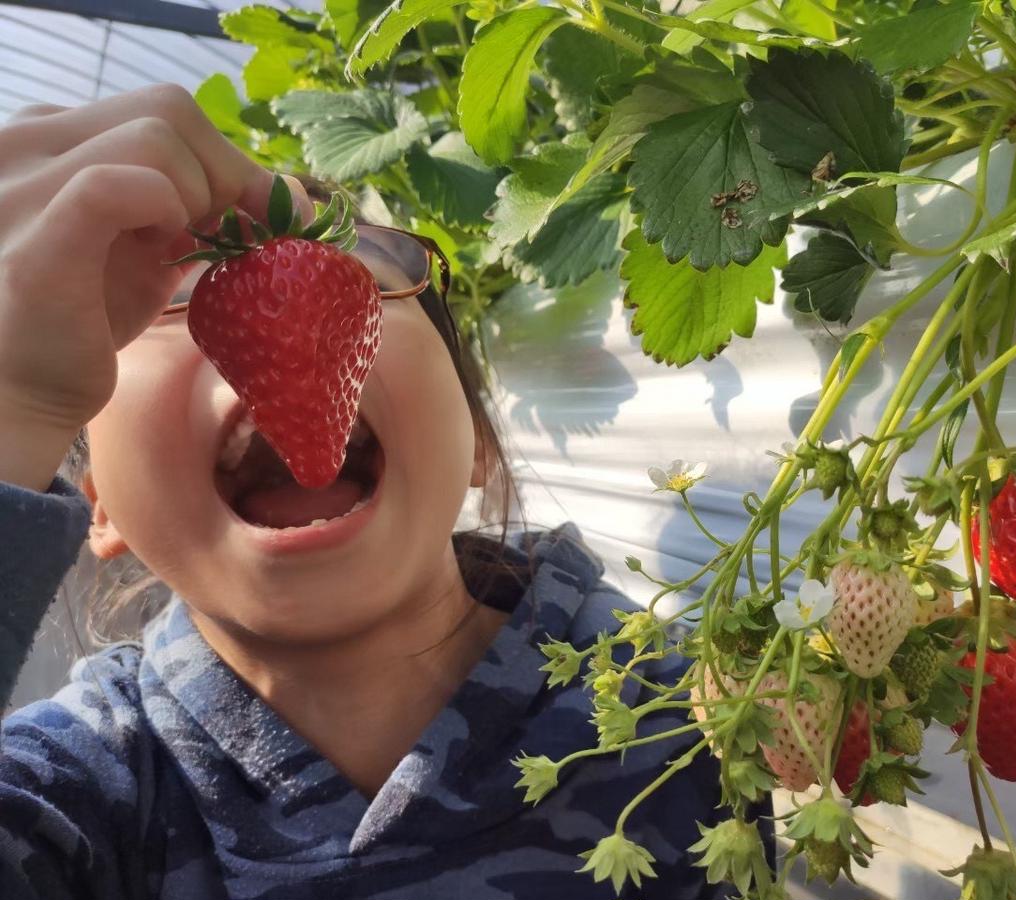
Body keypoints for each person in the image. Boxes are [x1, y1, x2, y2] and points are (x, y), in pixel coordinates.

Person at [0, 85, 775, 899]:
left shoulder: (684, 706)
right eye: (173, 301)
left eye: (352, 277)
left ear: (477, 438)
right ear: (99, 507)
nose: (282, 332)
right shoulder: (81, 790)